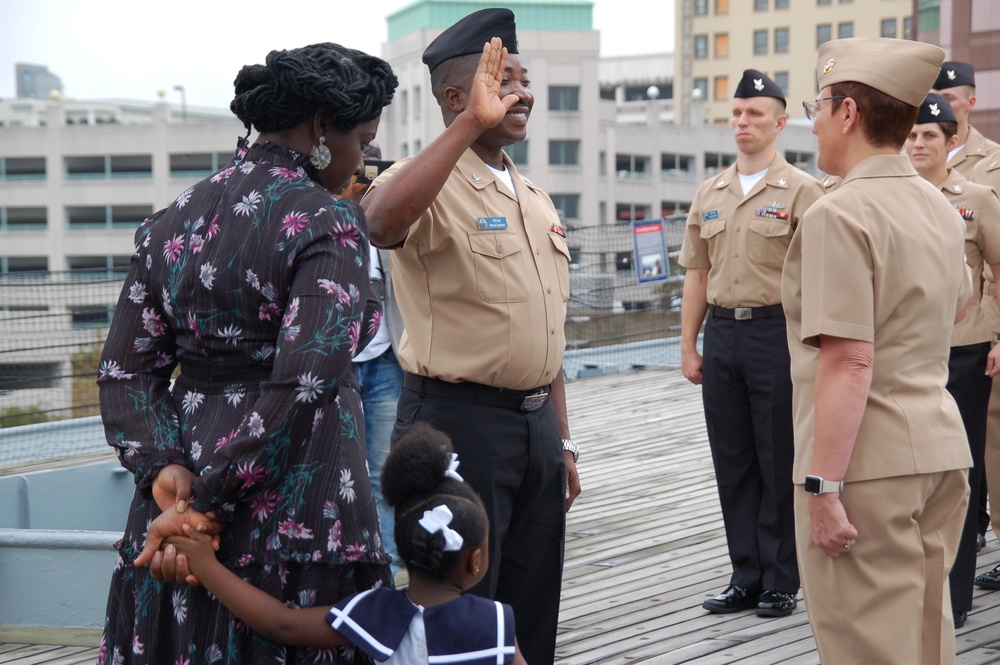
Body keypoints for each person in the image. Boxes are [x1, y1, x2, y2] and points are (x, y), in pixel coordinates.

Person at [96, 43, 398, 664]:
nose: (361, 157)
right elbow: (305, 386)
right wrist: (207, 504)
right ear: (321, 128)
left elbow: (125, 372)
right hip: (294, 500)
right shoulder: (329, 222)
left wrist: (166, 476)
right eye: (363, 140)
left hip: (175, 502)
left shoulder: (170, 222)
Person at [361, 10, 581, 665]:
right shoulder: (423, 182)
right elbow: (377, 220)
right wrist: (467, 130)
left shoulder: (534, 196)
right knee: (460, 613)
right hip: (459, 425)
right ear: (458, 98)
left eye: (524, 78)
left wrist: (563, 440)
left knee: (532, 606)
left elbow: (549, 326)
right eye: (502, 81)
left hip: (536, 427)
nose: (523, 93)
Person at [783, 37, 973, 663]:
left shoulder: (840, 214)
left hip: (864, 465)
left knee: (866, 645)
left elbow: (849, 359)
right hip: (937, 447)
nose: (813, 122)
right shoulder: (941, 208)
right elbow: (955, 308)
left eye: (819, 106)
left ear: (848, 115)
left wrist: (823, 485)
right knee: (925, 636)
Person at [165, 423, 527, 665]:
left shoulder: (375, 612)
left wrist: (207, 566)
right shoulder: (493, 623)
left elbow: (281, 625)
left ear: (405, 549)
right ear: (475, 560)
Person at [678, 69, 824, 618]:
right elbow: (696, 273)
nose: (743, 122)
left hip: (775, 336)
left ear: (781, 123)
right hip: (723, 336)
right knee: (733, 460)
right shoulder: (709, 193)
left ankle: (781, 578)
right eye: (737, 114)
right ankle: (745, 574)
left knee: (776, 456)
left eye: (755, 114)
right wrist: (690, 345)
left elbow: (817, 279)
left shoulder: (804, 191)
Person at [904, 92, 1000, 628]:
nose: (918, 143)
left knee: (957, 476)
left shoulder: (979, 198)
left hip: (963, 355)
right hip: (907, 356)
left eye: (929, 136)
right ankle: (911, 592)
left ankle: (953, 596)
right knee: (908, 476)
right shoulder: (893, 197)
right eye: (912, 135)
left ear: (951, 140)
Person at [343, 141, 404, 580]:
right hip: (338, 365)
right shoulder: (319, 215)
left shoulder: (383, 223)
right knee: (345, 473)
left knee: (383, 471)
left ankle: (389, 568)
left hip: (384, 361)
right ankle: (355, 564)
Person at [932, 61, 1000, 178]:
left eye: (948, 99)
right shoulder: (909, 154)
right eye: (933, 98)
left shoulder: (992, 157)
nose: (937, 106)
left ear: (970, 103)